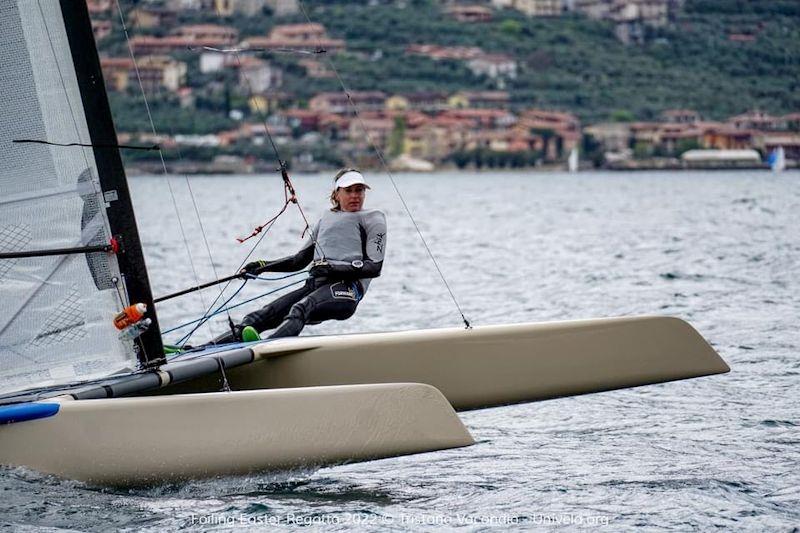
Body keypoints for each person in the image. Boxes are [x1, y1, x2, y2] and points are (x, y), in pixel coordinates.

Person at [211, 168, 386, 343]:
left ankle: (266, 347)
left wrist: (331, 268)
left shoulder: (373, 219)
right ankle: (200, 350)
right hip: (315, 286)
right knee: (259, 317)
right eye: (349, 191)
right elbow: (298, 261)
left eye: (359, 190)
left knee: (300, 308)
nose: (355, 195)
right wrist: (263, 266)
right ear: (337, 194)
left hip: (348, 290)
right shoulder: (326, 220)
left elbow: (374, 267)